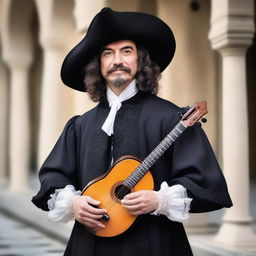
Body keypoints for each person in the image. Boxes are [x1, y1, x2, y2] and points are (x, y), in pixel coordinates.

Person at [32, 8, 232, 256]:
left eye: (127, 51)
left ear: (141, 61)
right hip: (89, 245)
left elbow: (205, 182)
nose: (117, 60)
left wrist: (160, 200)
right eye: (108, 53)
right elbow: (53, 177)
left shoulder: (172, 119)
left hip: (154, 244)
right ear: (99, 64)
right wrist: (73, 203)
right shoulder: (81, 125)